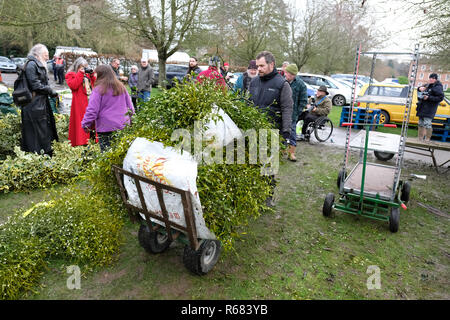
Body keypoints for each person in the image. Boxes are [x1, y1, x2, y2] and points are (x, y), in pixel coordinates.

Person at [81, 64, 134, 152]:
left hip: (106, 127)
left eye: (96, 73)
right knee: (120, 154)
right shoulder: (121, 87)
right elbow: (130, 107)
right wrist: (131, 121)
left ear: (100, 75)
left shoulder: (98, 90)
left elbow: (92, 110)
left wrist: (86, 125)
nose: (94, 75)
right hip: (123, 126)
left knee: (107, 156)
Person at [19, 43, 59, 156]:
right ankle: (38, 155)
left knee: (43, 130)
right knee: (36, 132)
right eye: (46, 55)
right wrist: (50, 91)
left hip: (39, 103)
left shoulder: (36, 64)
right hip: (33, 105)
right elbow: (35, 85)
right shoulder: (32, 65)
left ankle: (44, 153)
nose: (48, 58)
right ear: (38, 55)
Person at [249, 51, 293, 143]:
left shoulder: (282, 84)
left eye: (262, 66)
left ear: (271, 64)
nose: (259, 69)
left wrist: (286, 131)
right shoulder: (254, 82)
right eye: (258, 66)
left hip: (272, 132)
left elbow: (287, 109)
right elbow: (248, 103)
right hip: (253, 130)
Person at [65, 57, 97, 147]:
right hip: (79, 104)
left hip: (90, 102)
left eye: (85, 67)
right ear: (77, 67)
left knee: (92, 121)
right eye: (82, 67)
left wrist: (91, 75)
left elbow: (94, 85)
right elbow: (74, 85)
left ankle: (92, 140)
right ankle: (82, 143)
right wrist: (80, 73)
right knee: (81, 123)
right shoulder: (70, 75)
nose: (84, 69)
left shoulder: (86, 75)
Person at [284, 64, 308, 162]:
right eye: (287, 73)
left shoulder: (301, 84)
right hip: (281, 112)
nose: (289, 76)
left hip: (292, 114)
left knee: (292, 133)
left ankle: (291, 153)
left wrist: (297, 112)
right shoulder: (282, 81)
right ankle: (282, 150)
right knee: (281, 132)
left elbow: (303, 100)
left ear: (294, 75)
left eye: (291, 74)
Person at [416, 73, 444, 142]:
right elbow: (419, 89)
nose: (431, 79)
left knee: (427, 123)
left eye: (433, 78)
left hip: (430, 109)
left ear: (436, 79)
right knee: (420, 123)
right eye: (430, 78)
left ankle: (427, 139)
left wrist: (429, 97)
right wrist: (419, 88)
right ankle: (420, 138)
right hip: (422, 107)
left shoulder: (438, 87)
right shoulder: (427, 85)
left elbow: (440, 98)